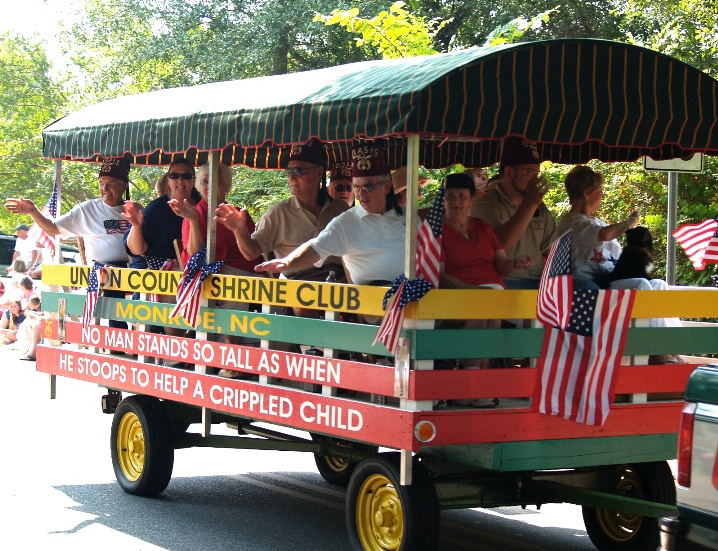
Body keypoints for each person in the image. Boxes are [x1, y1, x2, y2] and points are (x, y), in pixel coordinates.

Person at [556, 165, 684, 364]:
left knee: (658, 284)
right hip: (593, 286)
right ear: (587, 193)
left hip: (613, 279)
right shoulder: (573, 223)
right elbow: (605, 235)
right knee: (641, 285)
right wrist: (628, 223)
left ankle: (673, 346)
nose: (603, 195)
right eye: (599, 191)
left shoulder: (596, 221)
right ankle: (655, 351)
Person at [215, 138, 349, 317]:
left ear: (319, 173)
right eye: (289, 171)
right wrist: (239, 230)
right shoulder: (278, 212)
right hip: (298, 283)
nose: (292, 176)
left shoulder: (340, 210)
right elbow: (251, 252)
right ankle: (309, 345)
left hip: (340, 282)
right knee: (304, 297)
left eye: (299, 170)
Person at [254, 141, 406, 287]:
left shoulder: (409, 218)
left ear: (386, 187)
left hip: (413, 294)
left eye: (368, 187)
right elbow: (316, 246)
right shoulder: (347, 220)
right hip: (369, 302)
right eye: (356, 187)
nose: (361, 194)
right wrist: (286, 262)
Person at [5, 158, 132, 330]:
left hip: (134, 269)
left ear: (124, 186)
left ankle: (144, 335)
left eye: (110, 184)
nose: (105, 189)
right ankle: (118, 337)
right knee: (113, 287)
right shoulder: (87, 209)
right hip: (104, 271)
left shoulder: (133, 209)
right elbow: (52, 228)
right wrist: (33, 212)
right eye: (101, 183)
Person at [440, 173, 533, 378]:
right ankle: (474, 380)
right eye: (450, 196)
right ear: (443, 199)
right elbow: (440, 274)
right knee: (483, 308)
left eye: (462, 196)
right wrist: (473, 291)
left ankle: (479, 379)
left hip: (493, 293)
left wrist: (516, 263)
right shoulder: (436, 230)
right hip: (456, 295)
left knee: (532, 306)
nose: (456, 201)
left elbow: (503, 266)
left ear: (473, 199)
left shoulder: (482, 227)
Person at [470, 137, 556, 288]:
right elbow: (497, 247)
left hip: (539, 282)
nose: (535, 179)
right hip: (502, 281)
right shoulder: (486, 204)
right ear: (509, 172)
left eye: (537, 173)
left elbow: (551, 251)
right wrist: (530, 204)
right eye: (529, 172)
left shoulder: (540, 208)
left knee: (586, 287)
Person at [124, 158, 202, 270]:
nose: (180, 181)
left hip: (193, 269)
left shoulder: (204, 207)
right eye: (174, 176)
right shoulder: (154, 210)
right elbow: (137, 250)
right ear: (168, 180)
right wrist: (136, 227)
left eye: (186, 176)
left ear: (194, 180)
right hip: (153, 271)